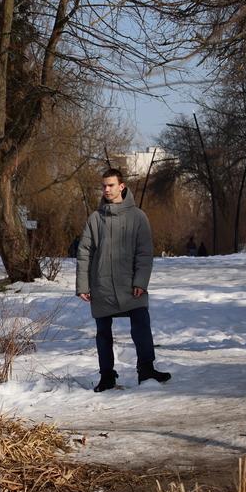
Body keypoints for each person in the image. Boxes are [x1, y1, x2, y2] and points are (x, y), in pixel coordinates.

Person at [76, 168, 170, 392]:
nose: (106, 189)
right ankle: (107, 375)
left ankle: (146, 369)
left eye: (111, 185)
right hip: (102, 285)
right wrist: (83, 285)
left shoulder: (138, 217)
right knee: (103, 333)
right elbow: (84, 253)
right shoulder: (95, 218)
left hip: (131, 286)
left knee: (141, 324)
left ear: (122, 186)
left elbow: (144, 253)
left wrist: (140, 282)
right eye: (104, 186)